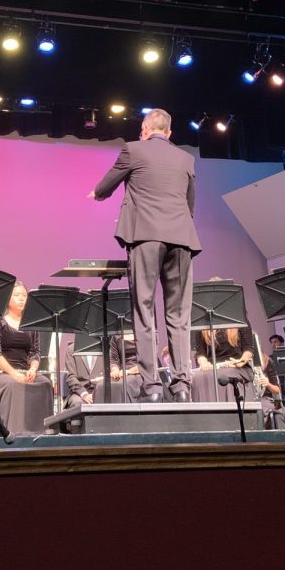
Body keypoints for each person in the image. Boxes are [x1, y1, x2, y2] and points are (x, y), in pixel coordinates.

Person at [90, 108, 201, 402]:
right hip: (181, 238)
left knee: (145, 310)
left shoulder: (133, 149)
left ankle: (151, 386)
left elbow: (105, 186)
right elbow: (190, 205)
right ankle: (182, 387)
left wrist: (96, 194)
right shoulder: (186, 158)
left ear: (144, 130)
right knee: (179, 315)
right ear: (169, 132)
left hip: (146, 237)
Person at [0, 282, 52, 434]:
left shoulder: (31, 324)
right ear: (8, 299)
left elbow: (35, 352)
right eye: (17, 296)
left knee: (45, 383)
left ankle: (43, 431)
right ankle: (15, 433)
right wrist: (13, 373)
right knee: (14, 385)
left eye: (24, 296)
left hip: (25, 371)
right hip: (2, 373)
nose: (22, 299)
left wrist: (33, 369)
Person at [191, 326, 254, 401]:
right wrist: (204, 363)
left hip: (236, 366)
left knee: (224, 375)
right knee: (197, 378)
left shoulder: (240, 320)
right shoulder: (203, 324)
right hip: (214, 367)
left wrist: (239, 362)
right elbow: (201, 353)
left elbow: (248, 350)